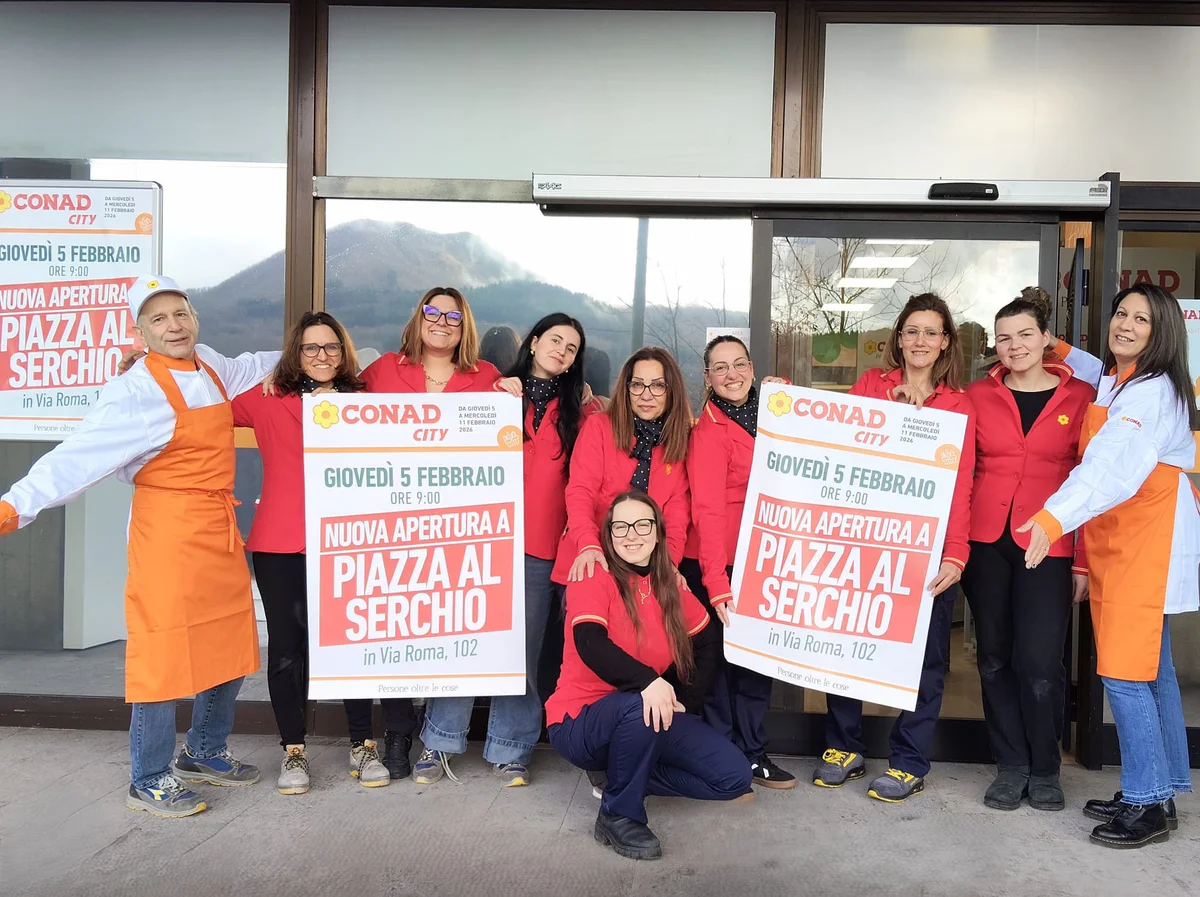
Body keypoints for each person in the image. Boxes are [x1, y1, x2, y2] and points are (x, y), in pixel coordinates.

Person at [0, 275, 280, 818]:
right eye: (159, 319)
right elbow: (76, 457)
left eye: (181, 313)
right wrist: (13, 507)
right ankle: (149, 776)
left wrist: (336, 358)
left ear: (194, 317)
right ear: (138, 332)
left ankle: (204, 750)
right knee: (162, 652)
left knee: (228, 642)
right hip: (167, 533)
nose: (174, 325)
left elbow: (260, 363)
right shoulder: (133, 391)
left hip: (218, 528)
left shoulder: (213, 365)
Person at [1020, 284, 1199, 848]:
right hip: (1129, 542)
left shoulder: (1149, 395)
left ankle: (1146, 805)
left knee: (1124, 674)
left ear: (1161, 331)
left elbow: (1109, 469)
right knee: (1155, 673)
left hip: (1145, 545)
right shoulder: (1126, 379)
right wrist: (1062, 349)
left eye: (1140, 319)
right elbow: (1098, 368)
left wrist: (1052, 519)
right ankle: (1159, 788)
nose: (1125, 324)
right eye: (1120, 312)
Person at [409, 312, 599, 787]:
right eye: (555, 340)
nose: (562, 350)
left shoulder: (582, 409)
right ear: (533, 343)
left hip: (539, 547)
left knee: (523, 652)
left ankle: (512, 748)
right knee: (463, 642)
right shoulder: (490, 395)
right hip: (480, 538)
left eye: (572, 347)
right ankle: (438, 741)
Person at [232, 311, 415, 793]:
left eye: (331, 347)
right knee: (288, 650)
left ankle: (362, 744)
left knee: (350, 643)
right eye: (310, 348)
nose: (321, 356)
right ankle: (293, 751)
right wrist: (145, 366)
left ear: (344, 352)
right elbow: (209, 406)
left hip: (350, 540)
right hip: (280, 542)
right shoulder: (269, 398)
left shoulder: (366, 401)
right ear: (295, 353)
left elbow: (426, 411)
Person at [811, 292, 976, 802]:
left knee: (925, 659)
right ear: (897, 339)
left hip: (926, 552)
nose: (920, 341)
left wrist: (955, 553)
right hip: (866, 545)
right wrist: (778, 398)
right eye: (911, 331)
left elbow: (961, 483)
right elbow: (833, 440)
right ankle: (845, 746)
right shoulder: (869, 387)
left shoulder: (959, 403)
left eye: (931, 332)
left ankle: (909, 760)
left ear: (945, 341)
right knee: (848, 646)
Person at [546, 491, 753, 861]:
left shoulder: (670, 585)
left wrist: (684, 702)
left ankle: (623, 774)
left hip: (645, 712)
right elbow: (589, 642)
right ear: (608, 535)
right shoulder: (594, 575)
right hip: (580, 721)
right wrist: (650, 682)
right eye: (620, 526)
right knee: (637, 705)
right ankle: (618, 814)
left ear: (658, 533)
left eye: (643, 524)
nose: (631, 534)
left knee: (734, 777)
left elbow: (706, 643)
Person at [359, 288, 513, 784]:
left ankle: (440, 731)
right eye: (433, 312)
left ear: (463, 324)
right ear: (418, 319)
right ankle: (400, 731)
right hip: (392, 519)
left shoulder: (485, 377)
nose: (442, 321)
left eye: (452, 315)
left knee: (451, 626)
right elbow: (334, 402)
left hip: (457, 525)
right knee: (397, 630)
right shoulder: (383, 370)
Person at [961, 292, 1094, 812]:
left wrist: (1082, 559)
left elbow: (1094, 481)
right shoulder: (977, 394)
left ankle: (1045, 767)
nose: (1013, 345)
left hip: (1050, 543)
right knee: (994, 660)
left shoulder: (1082, 396)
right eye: (1004, 337)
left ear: (1046, 340)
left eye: (1024, 335)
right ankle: (1010, 765)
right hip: (986, 541)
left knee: (1040, 662)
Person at [679, 335, 795, 790]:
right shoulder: (707, 433)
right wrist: (715, 582)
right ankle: (728, 757)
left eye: (739, 364)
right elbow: (705, 511)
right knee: (722, 669)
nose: (731, 375)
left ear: (752, 366)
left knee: (756, 662)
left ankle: (753, 752)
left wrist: (787, 393)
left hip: (765, 559)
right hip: (720, 563)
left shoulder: (771, 411)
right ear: (707, 378)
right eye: (720, 368)